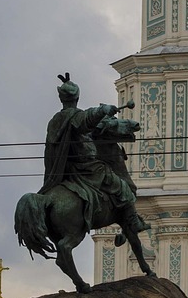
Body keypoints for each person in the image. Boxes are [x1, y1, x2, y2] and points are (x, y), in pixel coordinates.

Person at [42, 73, 148, 243]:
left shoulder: (55, 120)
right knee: (123, 188)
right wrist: (102, 110)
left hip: (65, 171)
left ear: (61, 98)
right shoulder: (74, 116)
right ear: (77, 98)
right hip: (87, 168)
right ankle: (132, 222)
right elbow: (87, 118)